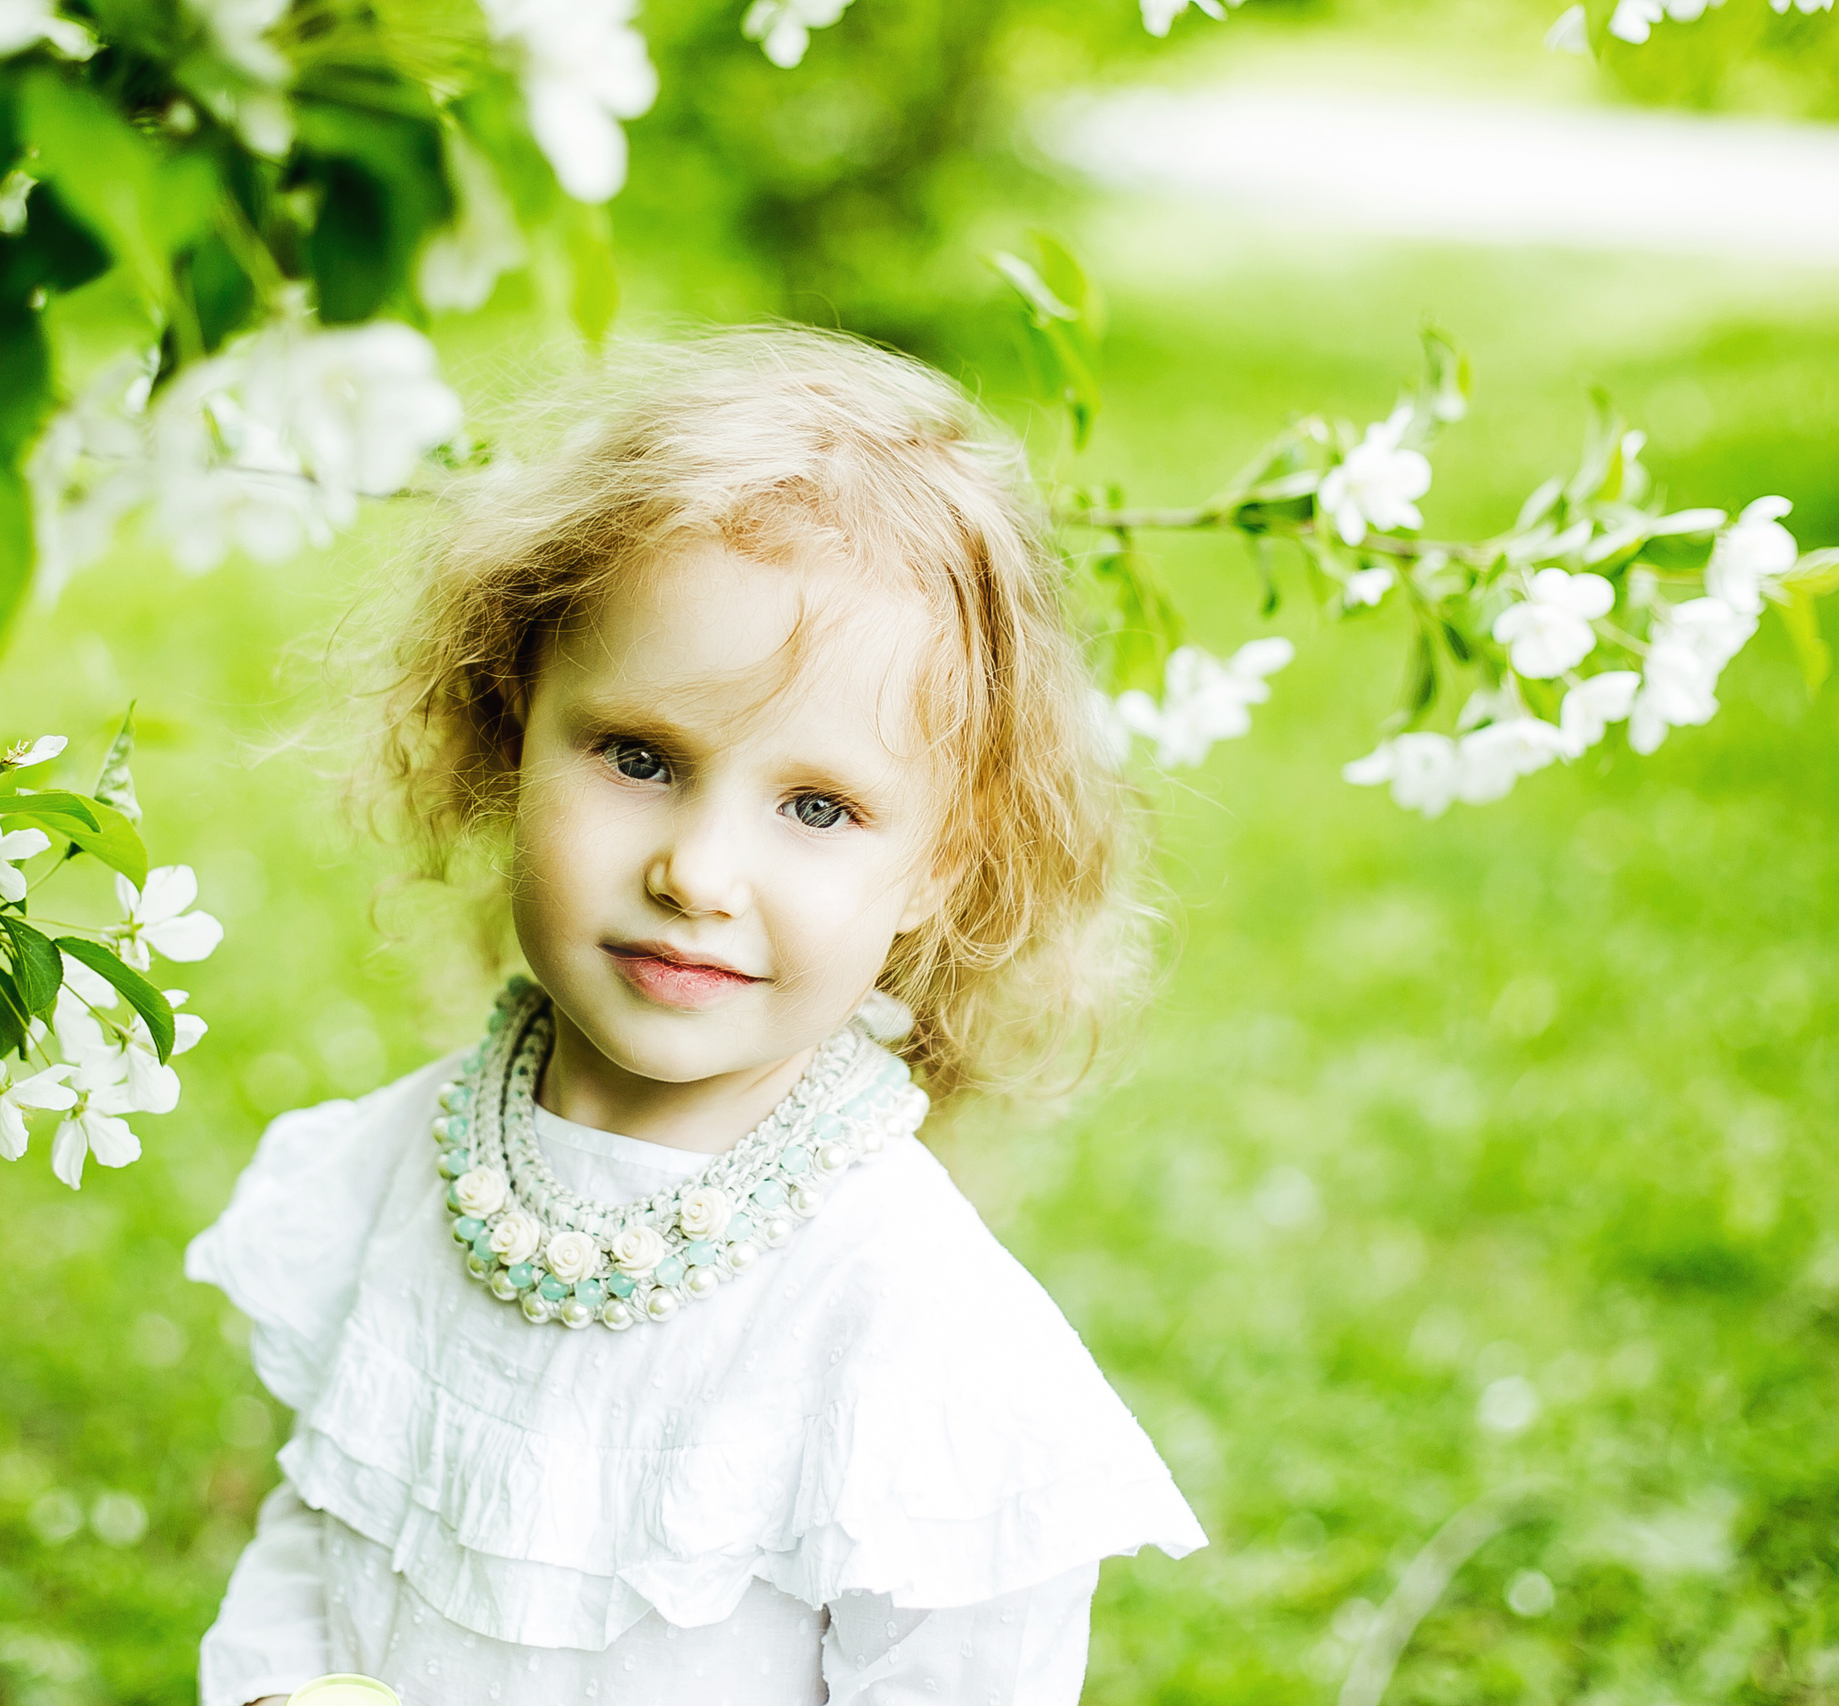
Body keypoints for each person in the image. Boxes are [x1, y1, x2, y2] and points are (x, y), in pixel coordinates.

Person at [186, 327, 1205, 1705]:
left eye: (817, 806)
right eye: (640, 757)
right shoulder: (393, 1165)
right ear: (510, 725)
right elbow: (318, 1541)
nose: (699, 873)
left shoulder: (906, 1330)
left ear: (936, 866)